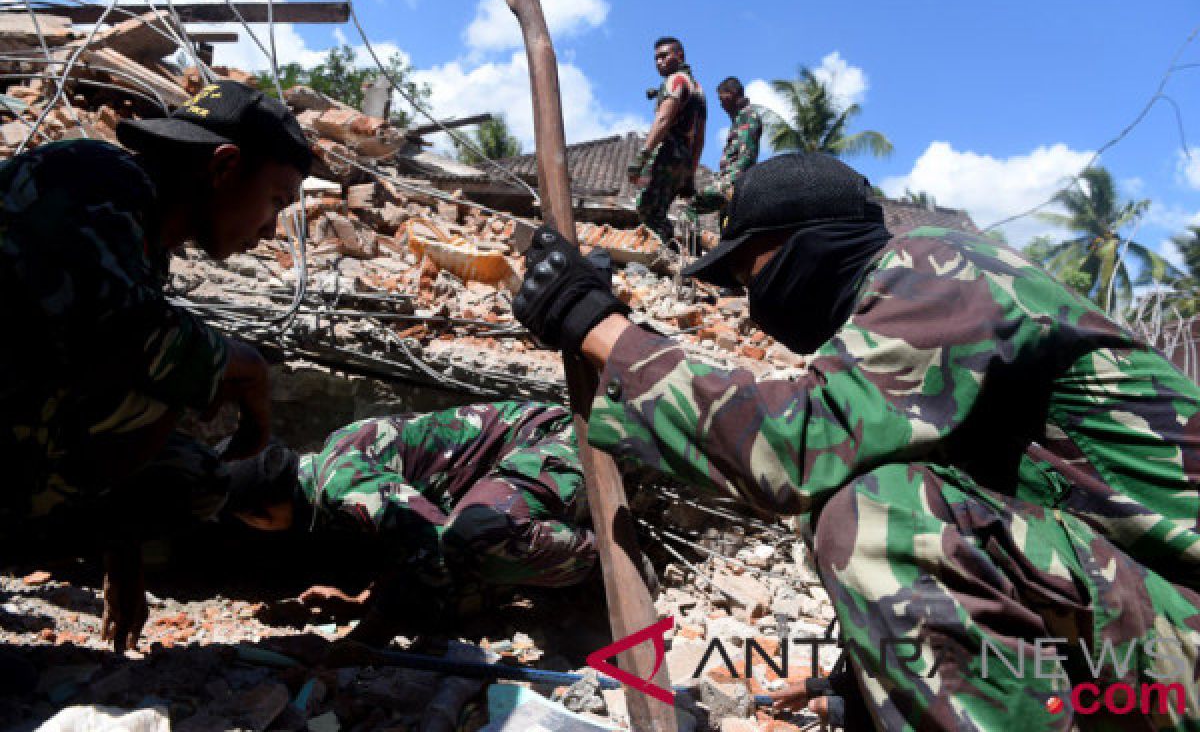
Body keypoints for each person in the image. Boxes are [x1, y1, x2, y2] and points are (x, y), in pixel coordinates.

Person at [511, 151, 1200, 731]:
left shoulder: (939, 269)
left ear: (808, 240)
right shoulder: (915, 340)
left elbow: (793, 447)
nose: (756, 303)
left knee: (875, 510)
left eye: (754, 273)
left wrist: (595, 327)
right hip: (1142, 656)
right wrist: (854, 684)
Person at [0, 80, 311, 658]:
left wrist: (123, 561)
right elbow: (109, 335)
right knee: (166, 390)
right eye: (275, 202)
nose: (270, 230)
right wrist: (242, 366)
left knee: (191, 476)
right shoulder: (93, 179)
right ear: (223, 167)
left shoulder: (142, 232)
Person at [222, 401, 598, 645]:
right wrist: (366, 603)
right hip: (513, 479)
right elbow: (405, 544)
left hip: (555, 442)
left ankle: (607, 563)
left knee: (474, 542)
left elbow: (430, 541)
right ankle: (561, 568)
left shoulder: (341, 482)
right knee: (439, 605)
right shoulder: (327, 474)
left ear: (261, 515)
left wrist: (365, 639)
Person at [627, 36, 706, 243]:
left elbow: (663, 119)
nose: (659, 62)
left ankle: (664, 250)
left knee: (647, 208)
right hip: (682, 160)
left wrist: (641, 156)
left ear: (679, 56)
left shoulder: (676, 80)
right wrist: (690, 173)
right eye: (656, 58)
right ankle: (671, 247)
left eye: (664, 56)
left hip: (666, 155)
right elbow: (699, 139)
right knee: (658, 210)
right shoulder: (698, 89)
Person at [692, 76, 762, 218]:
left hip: (736, 182)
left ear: (732, 93)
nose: (720, 103)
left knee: (691, 203)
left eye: (721, 98)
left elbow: (746, 158)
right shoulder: (738, 119)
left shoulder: (747, 116)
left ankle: (688, 239)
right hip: (731, 181)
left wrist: (728, 183)